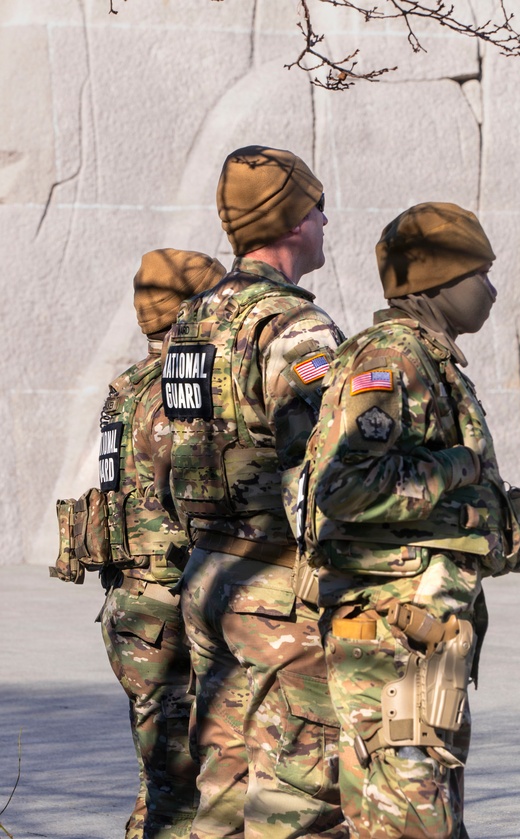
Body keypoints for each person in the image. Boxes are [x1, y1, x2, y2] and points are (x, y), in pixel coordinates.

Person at [298, 202, 520, 838]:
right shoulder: (394, 359)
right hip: (389, 638)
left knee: (425, 818)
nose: (491, 290)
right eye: (480, 274)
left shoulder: (430, 358)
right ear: (434, 281)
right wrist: (458, 468)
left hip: (420, 636)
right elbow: (344, 487)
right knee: (409, 823)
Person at [164, 145, 347, 838]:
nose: (328, 220)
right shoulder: (294, 327)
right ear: (293, 220)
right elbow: (328, 470)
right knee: (302, 803)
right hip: (276, 590)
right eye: (318, 206)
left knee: (224, 798)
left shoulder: (193, 322)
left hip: (209, 573)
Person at [50, 248, 225, 839]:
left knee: (160, 781)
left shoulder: (125, 387)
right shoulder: (182, 389)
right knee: (183, 790)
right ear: (192, 309)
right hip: (171, 600)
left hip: (132, 603)